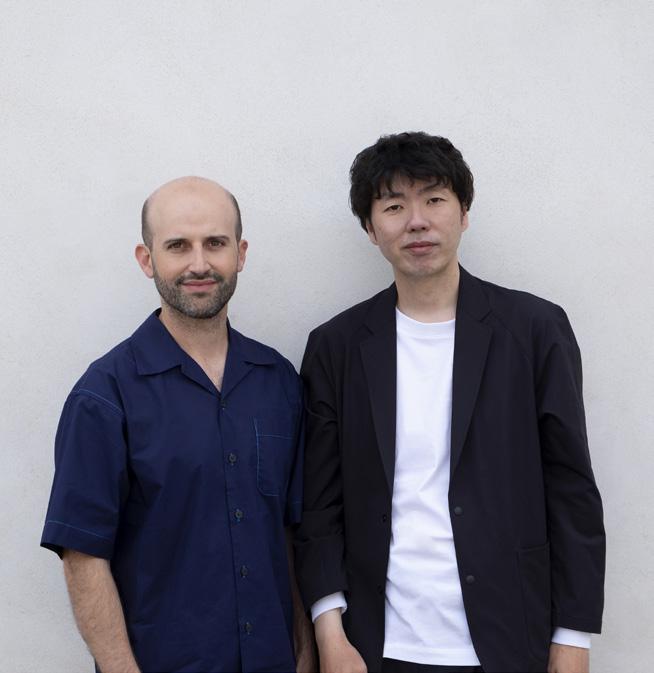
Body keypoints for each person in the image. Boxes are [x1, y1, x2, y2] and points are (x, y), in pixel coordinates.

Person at [294, 133, 605, 673]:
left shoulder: (534, 331)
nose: (417, 221)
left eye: (434, 199)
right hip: (376, 647)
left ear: (464, 213)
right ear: (370, 228)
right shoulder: (336, 347)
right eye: (394, 206)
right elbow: (320, 503)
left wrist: (573, 637)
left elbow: (571, 487)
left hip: (511, 638)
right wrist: (330, 631)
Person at [41, 177, 314, 673]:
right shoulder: (104, 395)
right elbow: (83, 557)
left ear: (241, 253)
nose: (199, 264)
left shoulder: (279, 381)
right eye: (178, 246)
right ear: (147, 260)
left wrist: (304, 654)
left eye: (216, 243)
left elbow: (291, 535)